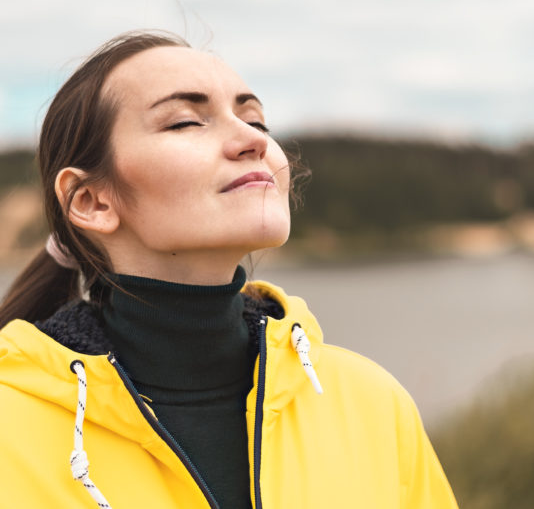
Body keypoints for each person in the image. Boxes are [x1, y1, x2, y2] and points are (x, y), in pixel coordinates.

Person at [0, 31, 458, 508]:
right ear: (92, 200)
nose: (252, 140)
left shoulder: (372, 404)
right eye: (185, 122)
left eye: (256, 118)